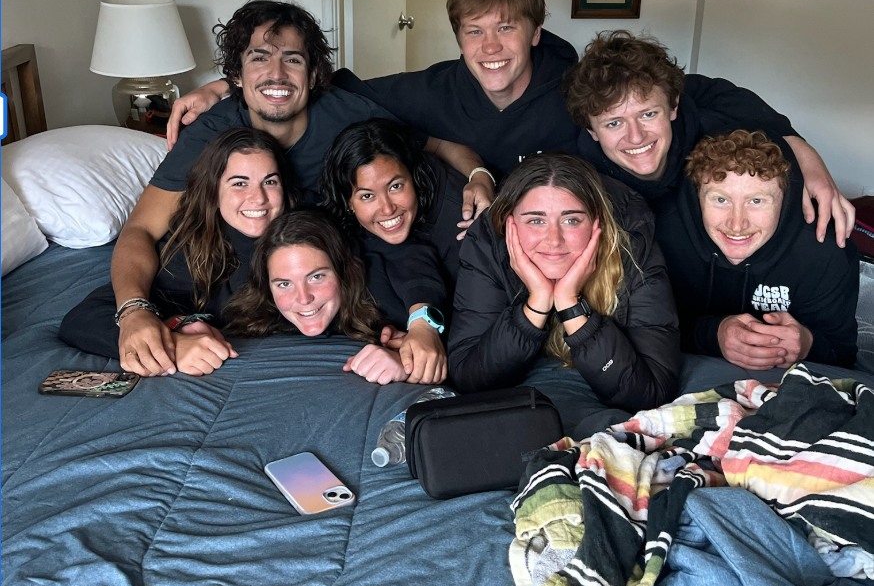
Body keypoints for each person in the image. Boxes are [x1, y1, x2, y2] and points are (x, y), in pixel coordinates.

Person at [114, 0, 492, 376]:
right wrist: (134, 313)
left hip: (352, 251)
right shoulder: (212, 135)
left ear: (312, 76)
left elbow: (438, 147)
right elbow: (141, 229)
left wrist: (479, 176)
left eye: (292, 60)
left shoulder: (348, 116)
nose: (276, 73)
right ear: (237, 75)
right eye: (259, 57)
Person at [167, 0, 581, 180]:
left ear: (535, 31)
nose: (490, 47)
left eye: (506, 27)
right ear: (457, 37)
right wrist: (223, 86)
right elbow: (322, 84)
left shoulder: (574, 91)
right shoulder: (432, 91)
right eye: (474, 31)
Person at [566, 30, 856, 245]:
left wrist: (809, 160)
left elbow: (774, 129)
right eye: (614, 122)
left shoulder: (720, 130)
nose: (636, 136)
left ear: (673, 107)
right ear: (591, 131)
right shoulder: (583, 175)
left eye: (648, 115)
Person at [448, 152, 680, 412]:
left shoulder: (632, 243)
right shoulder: (488, 243)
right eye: (536, 221)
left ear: (596, 222)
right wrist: (537, 303)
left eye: (571, 220)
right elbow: (470, 378)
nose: (554, 239)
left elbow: (651, 393)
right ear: (509, 223)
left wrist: (571, 305)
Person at [60, 128, 294, 376]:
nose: (258, 198)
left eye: (270, 181)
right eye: (239, 183)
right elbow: (82, 320)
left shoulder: (302, 243)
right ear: (213, 190)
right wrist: (173, 344)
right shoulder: (187, 250)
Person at [656, 130, 859, 370]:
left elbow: (843, 352)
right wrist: (714, 335)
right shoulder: (660, 234)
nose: (737, 224)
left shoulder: (824, 250)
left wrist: (807, 344)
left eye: (757, 201)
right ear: (697, 197)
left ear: (786, 201)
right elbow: (641, 331)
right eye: (720, 200)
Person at [224, 210, 446, 385]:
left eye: (316, 277)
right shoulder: (252, 309)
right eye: (284, 284)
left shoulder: (381, 297)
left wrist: (408, 359)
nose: (303, 298)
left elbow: (412, 257)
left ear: (340, 271)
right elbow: (197, 310)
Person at [320, 120, 466, 381]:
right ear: (348, 203)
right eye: (367, 196)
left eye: (396, 186)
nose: (387, 209)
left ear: (414, 179)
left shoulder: (459, 221)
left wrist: (423, 326)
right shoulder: (343, 234)